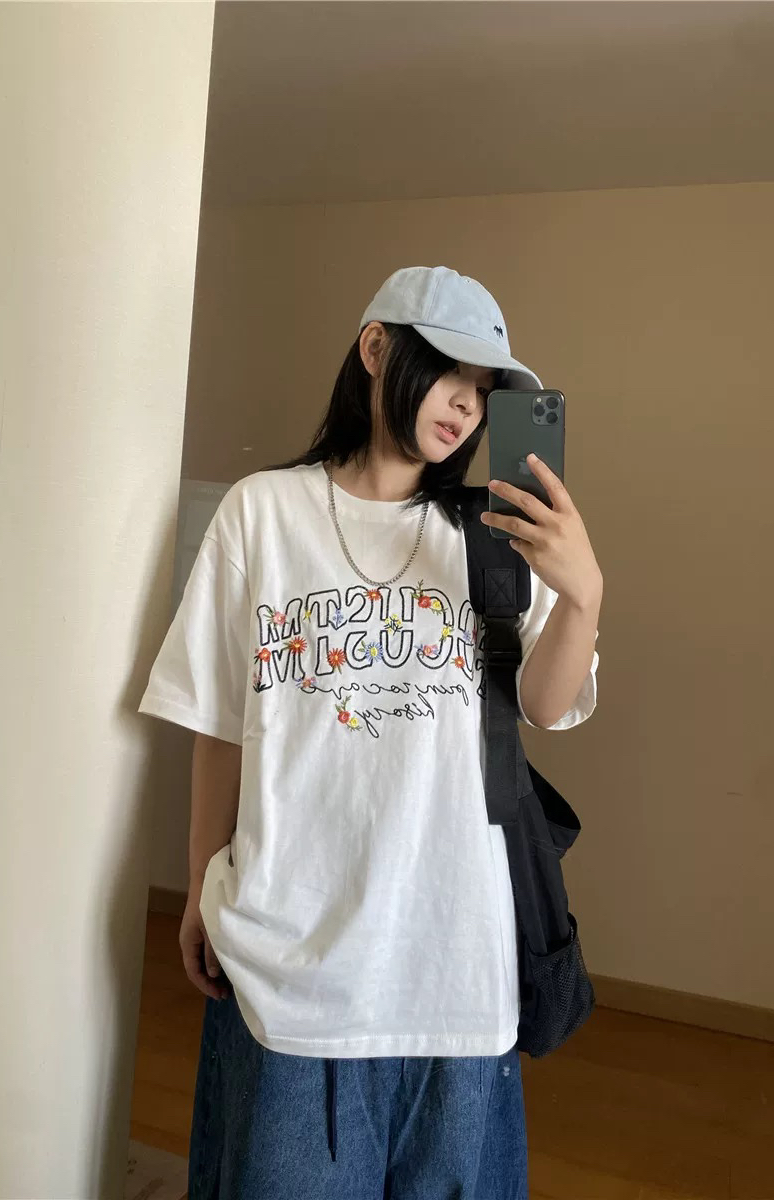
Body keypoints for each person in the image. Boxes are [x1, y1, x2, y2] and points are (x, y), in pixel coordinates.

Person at [138, 265, 603, 1200]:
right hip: (290, 963)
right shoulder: (261, 512)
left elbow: (548, 706)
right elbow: (221, 722)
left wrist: (584, 594)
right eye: (449, 371)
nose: (467, 404)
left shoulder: (492, 535)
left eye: (485, 390)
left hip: (457, 965)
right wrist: (199, 885)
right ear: (377, 347)